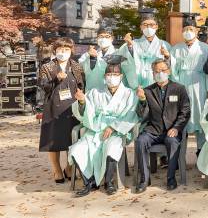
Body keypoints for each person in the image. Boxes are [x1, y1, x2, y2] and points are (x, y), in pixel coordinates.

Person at [69, 56, 139, 196]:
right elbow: (85, 112)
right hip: (95, 130)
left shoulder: (129, 94)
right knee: (77, 149)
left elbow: (131, 115)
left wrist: (113, 127)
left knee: (111, 148)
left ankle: (109, 182)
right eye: (108, 74)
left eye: (115, 74)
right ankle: (90, 182)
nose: (111, 77)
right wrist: (82, 102)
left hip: (116, 131)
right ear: (104, 76)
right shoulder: (95, 92)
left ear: (121, 76)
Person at [135, 60, 190, 193]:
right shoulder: (148, 91)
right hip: (153, 130)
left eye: (163, 70)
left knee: (172, 142)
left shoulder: (179, 89)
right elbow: (142, 115)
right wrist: (142, 101)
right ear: (153, 74)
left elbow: (186, 112)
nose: (160, 73)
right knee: (140, 141)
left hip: (172, 130)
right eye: (157, 71)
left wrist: (177, 128)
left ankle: (171, 179)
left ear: (169, 71)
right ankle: (144, 179)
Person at [39, 37, 85, 184]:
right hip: (53, 107)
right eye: (60, 50)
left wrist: (81, 96)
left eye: (66, 50)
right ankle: (57, 170)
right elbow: (43, 87)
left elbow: (82, 85)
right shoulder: (47, 67)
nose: (63, 52)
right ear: (55, 51)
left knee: (71, 139)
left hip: (72, 107)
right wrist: (56, 80)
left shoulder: (76, 67)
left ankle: (69, 167)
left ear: (71, 51)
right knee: (54, 140)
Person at [170, 13, 208, 154]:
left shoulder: (205, 48)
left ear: (196, 31)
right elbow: (173, 70)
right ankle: (179, 151)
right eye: (185, 29)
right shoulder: (176, 49)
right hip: (182, 84)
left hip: (199, 85)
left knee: (200, 116)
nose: (188, 32)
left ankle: (201, 151)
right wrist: (177, 88)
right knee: (182, 116)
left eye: (191, 29)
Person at [117, 8, 171, 89]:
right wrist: (130, 48)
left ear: (156, 27)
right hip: (137, 83)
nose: (148, 27)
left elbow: (171, 67)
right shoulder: (133, 43)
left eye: (152, 25)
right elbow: (123, 62)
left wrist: (167, 57)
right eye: (145, 25)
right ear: (141, 27)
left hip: (157, 83)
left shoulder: (164, 44)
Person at [79, 24, 134, 91]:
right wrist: (92, 59)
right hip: (93, 93)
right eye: (101, 36)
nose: (103, 39)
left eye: (107, 36)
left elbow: (130, 64)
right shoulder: (87, 55)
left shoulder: (118, 53)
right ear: (97, 38)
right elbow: (81, 68)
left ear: (112, 39)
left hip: (114, 92)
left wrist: (129, 46)